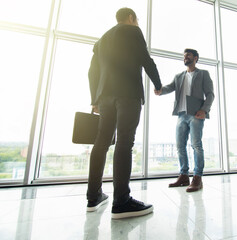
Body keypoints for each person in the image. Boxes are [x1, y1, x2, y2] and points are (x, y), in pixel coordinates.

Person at [87, 8, 162, 219]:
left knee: (101, 143)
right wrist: (157, 84)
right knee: (124, 142)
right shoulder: (133, 31)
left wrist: (95, 99)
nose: (137, 22)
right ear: (131, 18)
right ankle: (121, 201)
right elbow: (146, 59)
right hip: (127, 94)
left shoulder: (102, 40)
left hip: (105, 97)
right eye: (137, 19)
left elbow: (92, 72)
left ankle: (93, 196)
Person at [154, 49, 214, 192]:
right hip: (181, 114)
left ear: (195, 58)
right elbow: (169, 87)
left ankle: (197, 178)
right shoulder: (179, 76)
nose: (185, 57)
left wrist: (204, 110)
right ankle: (184, 176)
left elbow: (210, 94)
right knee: (180, 146)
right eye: (184, 56)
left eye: (188, 55)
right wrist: (161, 90)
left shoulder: (203, 74)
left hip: (196, 115)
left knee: (196, 146)